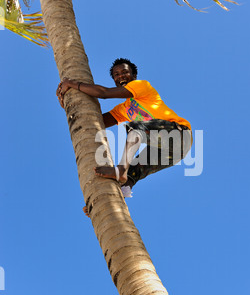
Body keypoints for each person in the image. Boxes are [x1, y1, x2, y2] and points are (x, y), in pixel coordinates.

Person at [56, 58, 192, 201]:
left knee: (135, 128)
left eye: (125, 72)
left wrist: (71, 84)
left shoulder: (142, 86)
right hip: (175, 153)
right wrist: (70, 104)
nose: (120, 76)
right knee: (134, 171)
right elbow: (95, 121)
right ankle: (112, 198)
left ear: (133, 76)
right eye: (116, 75)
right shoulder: (123, 109)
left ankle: (120, 169)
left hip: (180, 134)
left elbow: (104, 93)